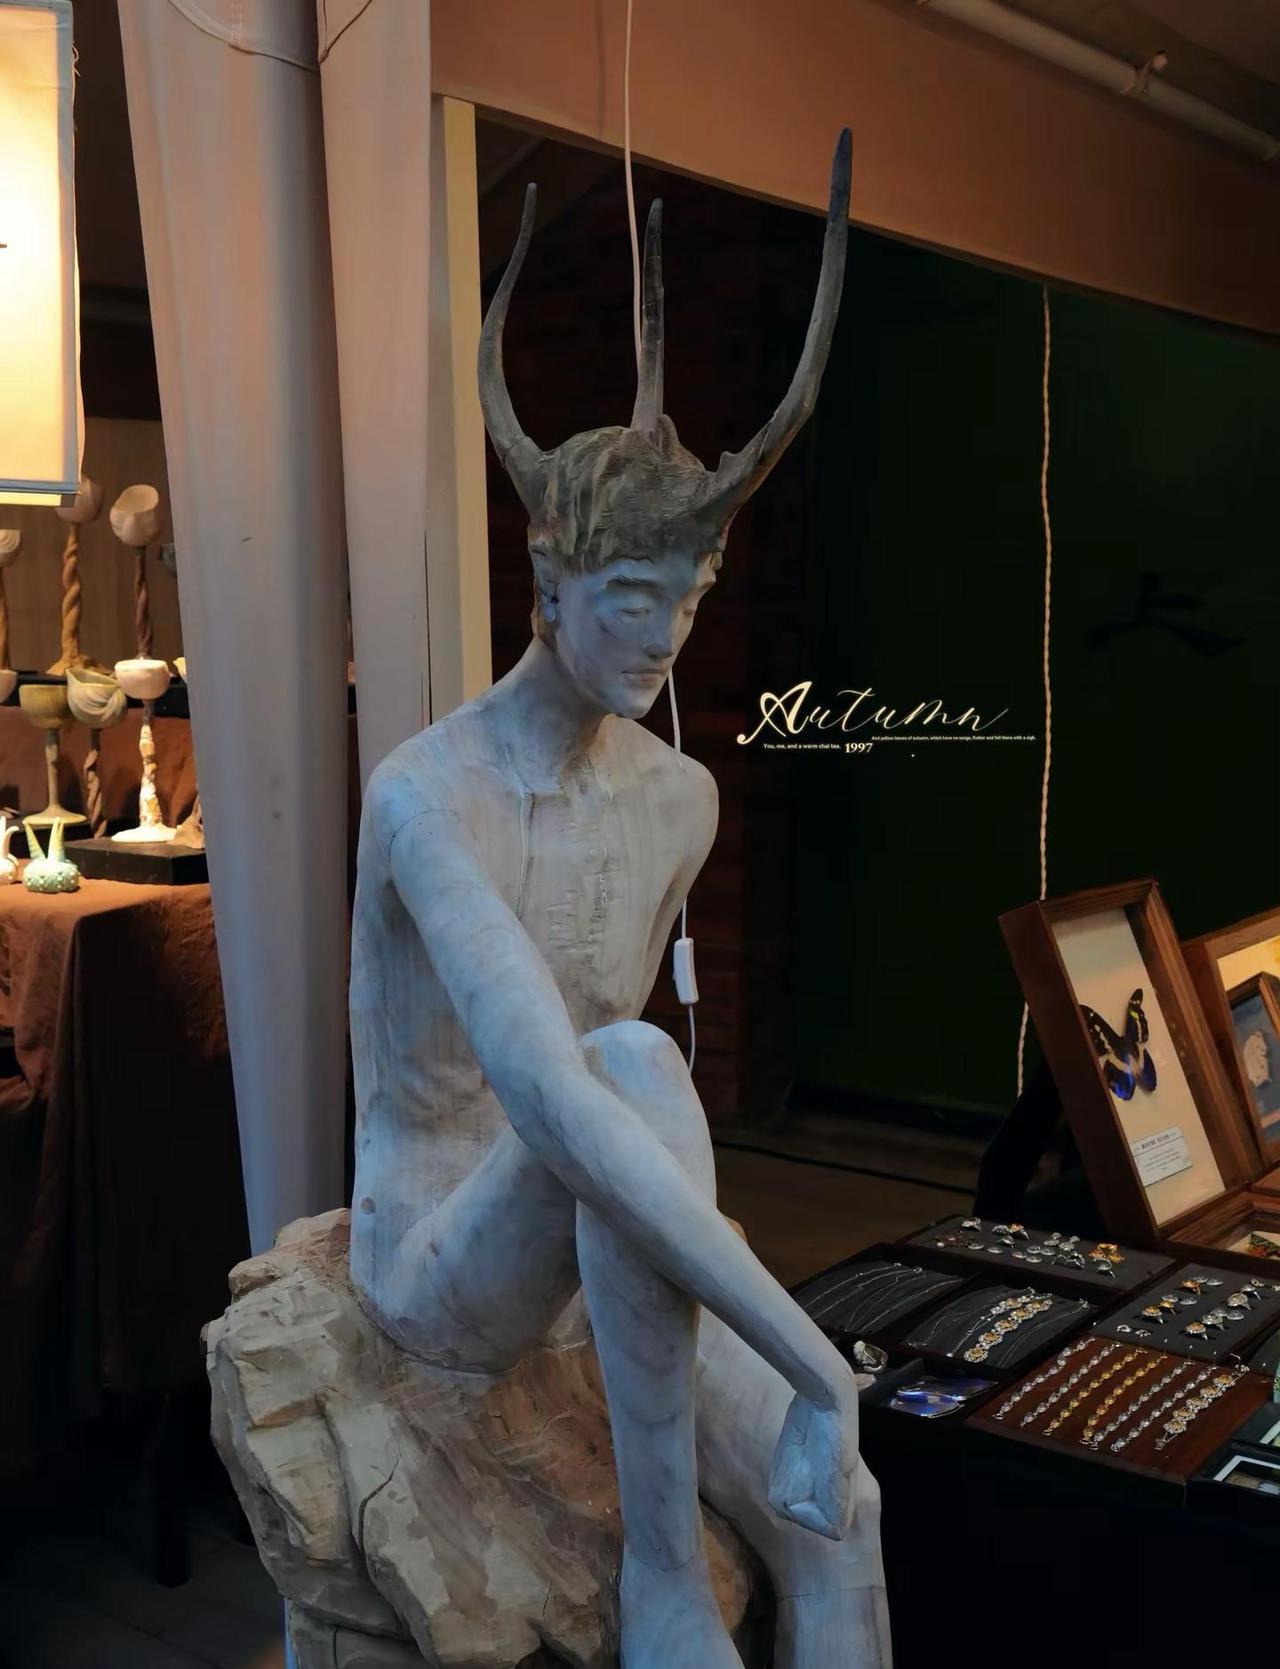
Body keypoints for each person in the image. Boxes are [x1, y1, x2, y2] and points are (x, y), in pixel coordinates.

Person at [349, 131, 891, 1669]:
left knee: (842, 1509)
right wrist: (813, 1358)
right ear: (548, 586)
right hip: (441, 1263)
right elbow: (558, 1094)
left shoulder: (679, 798)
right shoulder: (426, 795)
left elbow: (614, 1131)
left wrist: (801, 1393)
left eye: (689, 604)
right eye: (632, 603)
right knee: (635, 1063)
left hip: (600, 1252)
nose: (663, 643)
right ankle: (663, 1578)